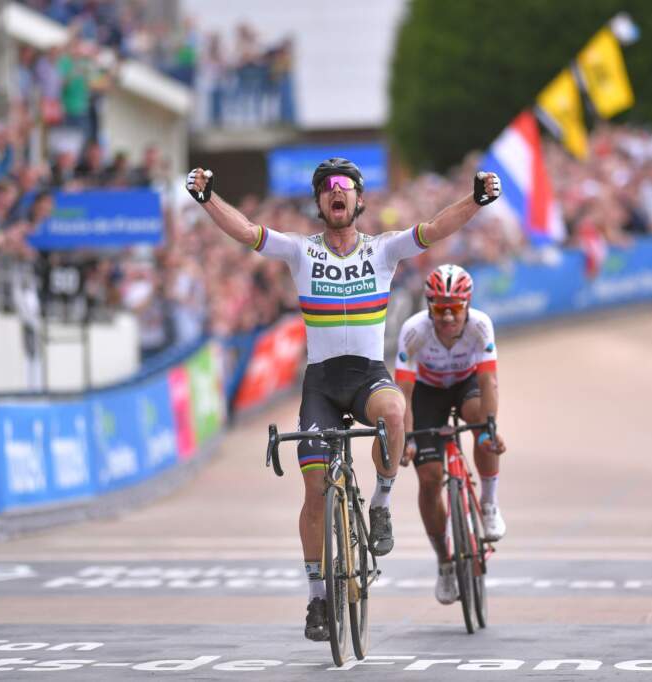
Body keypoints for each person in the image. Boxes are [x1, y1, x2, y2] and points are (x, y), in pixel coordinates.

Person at [186, 159, 501, 641]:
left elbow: (437, 227)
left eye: (347, 187)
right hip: (321, 385)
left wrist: (476, 200)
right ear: (319, 203)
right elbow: (248, 232)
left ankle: (380, 502)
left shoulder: (383, 249)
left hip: (368, 376)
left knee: (395, 411)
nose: (338, 192)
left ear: (358, 201)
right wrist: (208, 199)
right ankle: (317, 599)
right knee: (313, 491)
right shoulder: (299, 251)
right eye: (328, 188)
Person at [395, 264, 508, 605]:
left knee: (481, 423)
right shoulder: (414, 331)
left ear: (467, 306)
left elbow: (489, 381)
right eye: (440, 309)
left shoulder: (480, 326)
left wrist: (490, 428)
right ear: (429, 306)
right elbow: (404, 393)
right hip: (426, 393)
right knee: (429, 479)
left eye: (455, 309)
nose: (447, 317)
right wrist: (409, 439)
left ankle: (488, 503)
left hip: (466, 384)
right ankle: (445, 562)